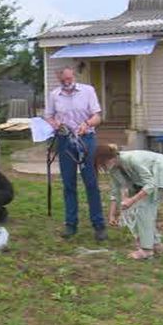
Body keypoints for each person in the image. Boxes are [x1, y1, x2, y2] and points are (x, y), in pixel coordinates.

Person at [44, 66, 107, 241]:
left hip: (86, 139)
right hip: (65, 141)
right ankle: (71, 224)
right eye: (63, 80)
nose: (67, 82)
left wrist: (86, 124)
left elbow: (97, 116)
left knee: (91, 182)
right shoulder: (54, 95)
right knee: (68, 184)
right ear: (59, 79)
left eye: (69, 79)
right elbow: (48, 116)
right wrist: (56, 124)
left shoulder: (88, 91)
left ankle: (99, 225)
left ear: (73, 76)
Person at [98, 145, 163, 260]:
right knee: (136, 209)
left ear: (111, 158)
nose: (103, 168)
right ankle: (155, 244)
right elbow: (116, 190)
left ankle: (146, 250)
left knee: (143, 207)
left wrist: (132, 200)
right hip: (152, 179)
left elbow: (150, 184)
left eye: (103, 164)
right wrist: (111, 214)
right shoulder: (114, 168)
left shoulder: (131, 159)